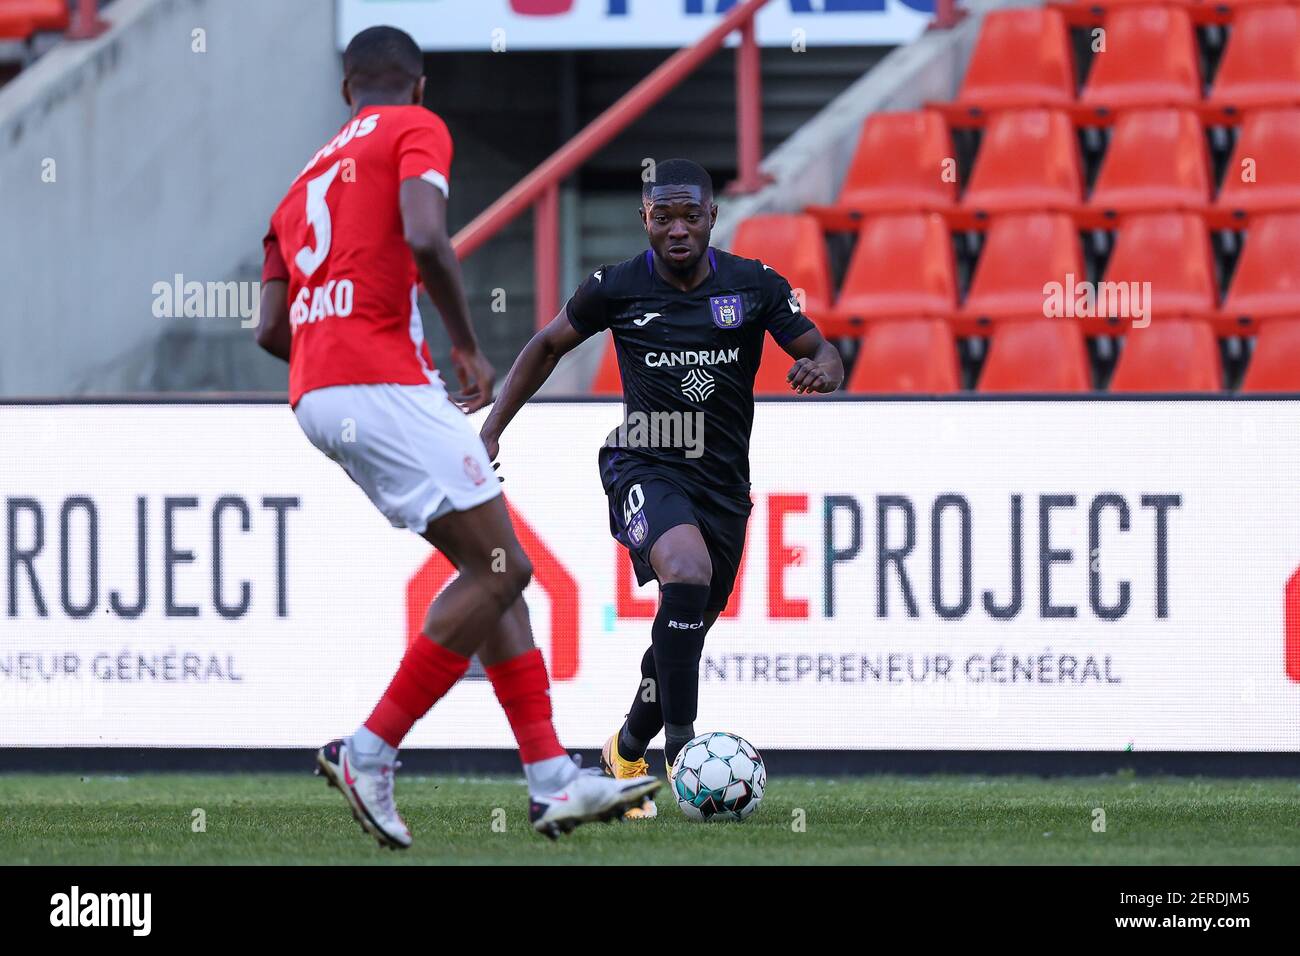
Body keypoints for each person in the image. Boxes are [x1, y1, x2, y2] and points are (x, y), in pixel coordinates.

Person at [254, 25, 657, 847]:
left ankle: (550, 780)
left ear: (344, 93)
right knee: (507, 564)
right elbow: (427, 234)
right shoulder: (413, 127)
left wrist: (334, 358)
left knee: (492, 570)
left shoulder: (296, 187)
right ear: (420, 85)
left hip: (317, 398)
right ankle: (369, 749)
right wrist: (466, 345)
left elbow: (268, 329)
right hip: (387, 384)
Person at [479, 158, 843, 818]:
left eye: (690, 215)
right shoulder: (615, 287)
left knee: (687, 627)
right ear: (645, 220)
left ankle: (624, 749)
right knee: (685, 568)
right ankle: (684, 754)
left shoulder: (755, 286)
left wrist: (822, 370)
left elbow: (824, 350)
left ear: (711, 217)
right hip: (644, 462)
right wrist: (493, 430)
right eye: (663, 216)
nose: (678, 229)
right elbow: (545, 346)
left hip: (725, 486)